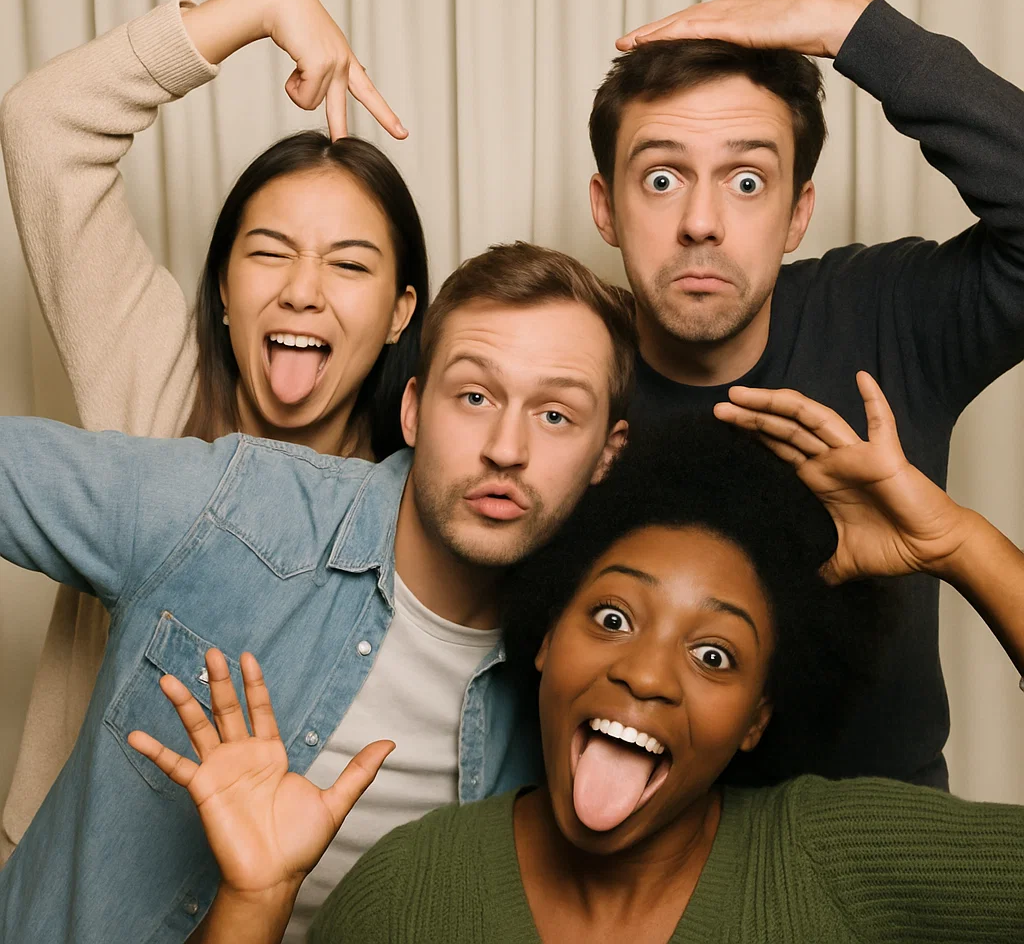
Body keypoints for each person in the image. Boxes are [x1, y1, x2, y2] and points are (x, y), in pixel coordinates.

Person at [141, 375, 1024, 942]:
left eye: (714, 655)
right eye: (611, 616)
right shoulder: (413, 891)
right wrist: (254, 903)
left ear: (759, 717)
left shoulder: (828, 860)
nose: (646, 673)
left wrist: (964, 547)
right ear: (545, 637)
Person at [0, 241, 633, 944]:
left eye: (555, 415)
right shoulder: (238, 509)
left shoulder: (593, 672)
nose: (506, 448)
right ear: (414, 410)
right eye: (475, 396)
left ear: (608, 453)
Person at [0, 0, 427, 864]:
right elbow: (43, 127)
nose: (302, 290)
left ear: (400, 314)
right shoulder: (156, 389)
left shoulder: (420, 503)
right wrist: (267, 7)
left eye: (349, 265)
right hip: (73, 892)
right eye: (269, 253)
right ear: (225, 290)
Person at [588, 0, 1024, 787]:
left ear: (798, 213)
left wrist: (849, 21)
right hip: (634, 848)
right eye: (662, 179)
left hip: (884, 843)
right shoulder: (554, 376)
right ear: (605, 207)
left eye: (747, 181)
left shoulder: (889, 314)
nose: (701, 222)